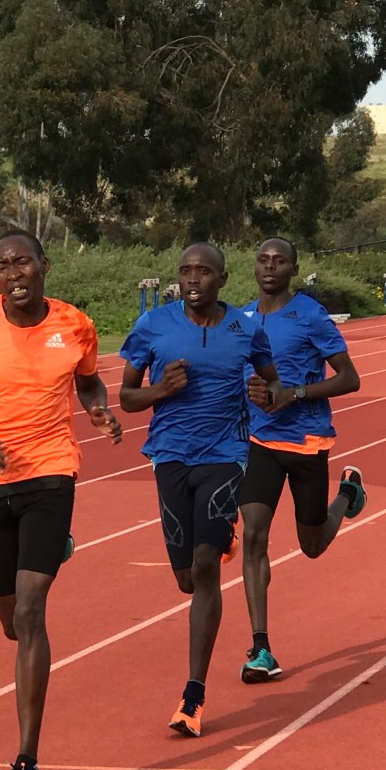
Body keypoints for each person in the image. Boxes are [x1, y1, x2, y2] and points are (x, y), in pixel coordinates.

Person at [0, 228, 122, 770]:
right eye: (2, 265)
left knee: (30, 610)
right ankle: (52, 547)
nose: (13, 273)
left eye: (22, 262)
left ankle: (25, 762)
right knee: (11, 626)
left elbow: (88, 382)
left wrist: (99, 411)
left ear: (44, 265)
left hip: (51, 471)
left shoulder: (75, 324)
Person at [118, 242, 280, 738]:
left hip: (225, 454)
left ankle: (193, 694)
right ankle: (218, 536)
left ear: (222, 279)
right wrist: (161, 391)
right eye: (186, 271)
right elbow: (127, 398)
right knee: (187, 579)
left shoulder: (246, 329)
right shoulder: (153, 326)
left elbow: (271, 385)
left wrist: (266, 394)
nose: (193, 279)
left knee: (206, 564)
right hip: (170, 455)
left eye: (204, 272)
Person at [238, 237, 367, 682]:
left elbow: (350, 378)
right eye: (263, 259)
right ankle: (261, 647)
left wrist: (294, 394)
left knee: (312, 546)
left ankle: (347, 495)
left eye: (280, 261)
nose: (270, 267)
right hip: (259, 442)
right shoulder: (241, 320)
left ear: (293, 269)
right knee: (253, 535)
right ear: (254, 267)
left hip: (307, 441)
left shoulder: (310, 315)